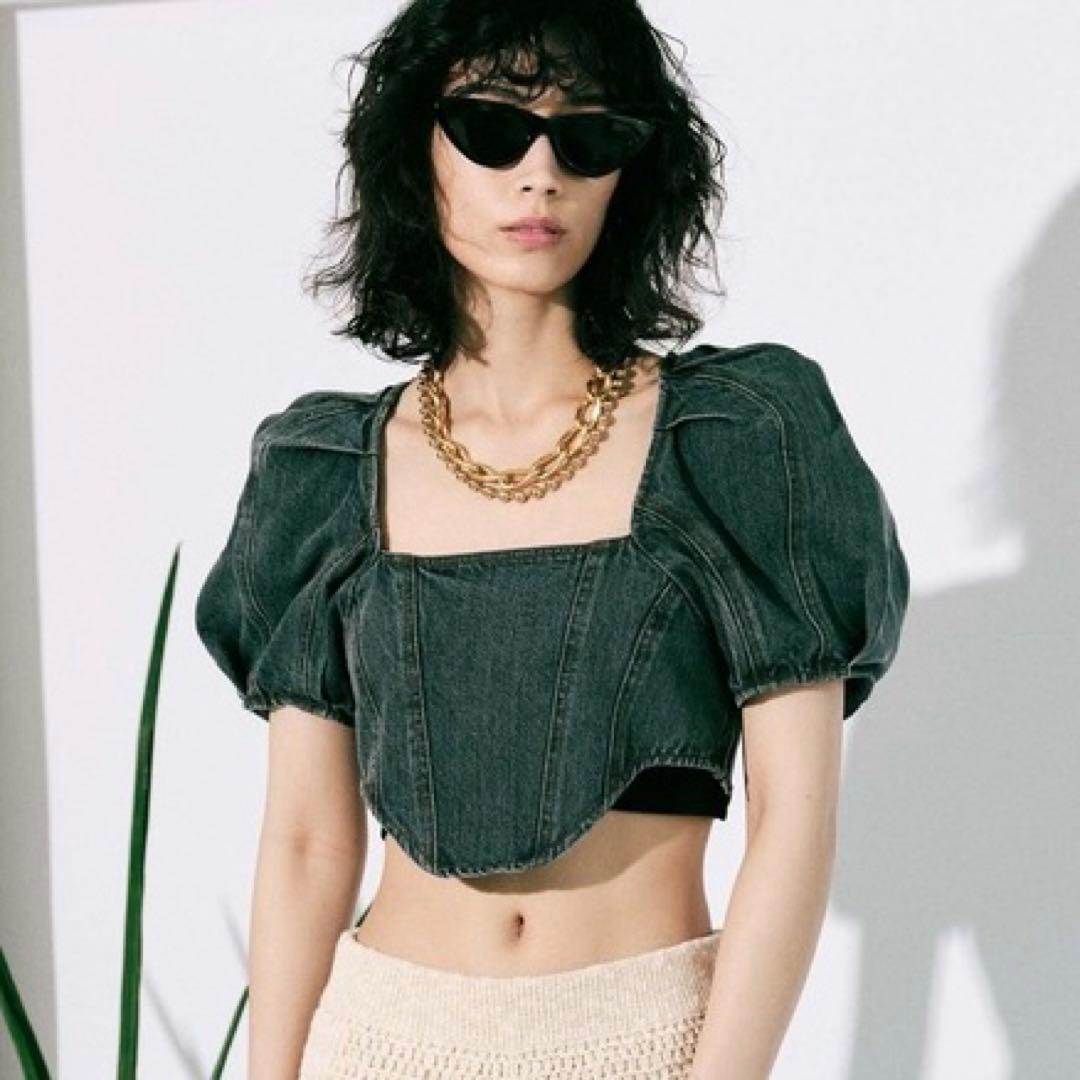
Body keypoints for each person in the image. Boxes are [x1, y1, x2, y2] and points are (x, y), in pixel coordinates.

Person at [194, 2, 911, 1077]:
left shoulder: (741, 436)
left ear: (634, 170)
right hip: (378, 1036)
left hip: (643, 1036)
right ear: (413, 152)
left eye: (588, 136)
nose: (541, 175)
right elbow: (305, 841)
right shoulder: (323, 469)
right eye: (492, 127)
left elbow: (794, 821)